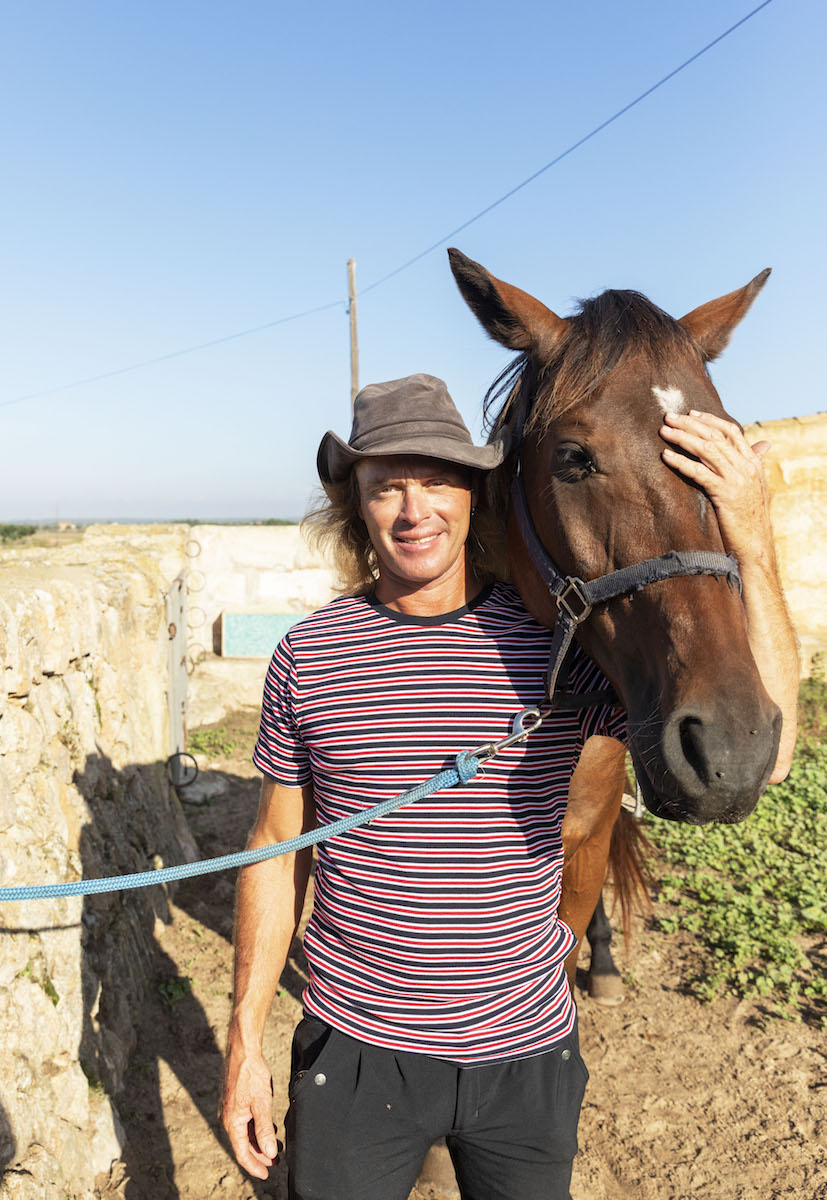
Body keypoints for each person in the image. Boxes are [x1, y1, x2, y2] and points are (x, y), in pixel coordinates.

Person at [220, 373, 798, 1200]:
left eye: (438, 482)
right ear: (357, 506)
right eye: (387, 487)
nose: (414, 510)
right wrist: (244, 1040)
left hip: (526, 1057)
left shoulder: (559, 652)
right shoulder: (309, 655)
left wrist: (750, 532)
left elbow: (768, 752)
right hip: (354, 1051)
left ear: (475, 495)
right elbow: (276, 854)